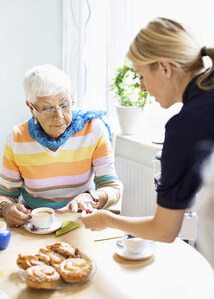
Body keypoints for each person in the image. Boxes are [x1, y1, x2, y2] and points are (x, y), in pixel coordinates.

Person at [81, 17, 214, 243]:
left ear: (164, 67)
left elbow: (163, 231)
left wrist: (106, 220)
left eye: (141, 75)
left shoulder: (185, 125)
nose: (142, 87)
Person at [0, 64, 122, 227]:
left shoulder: (93, 129)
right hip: (35, 224)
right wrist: (6, 208)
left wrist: (91, 197)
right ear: (31, 108)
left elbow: (113, 188)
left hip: (81, 222)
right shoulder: (16, 138)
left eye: (64, 105)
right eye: (48, 108)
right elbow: (6, 195)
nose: (59, 116)